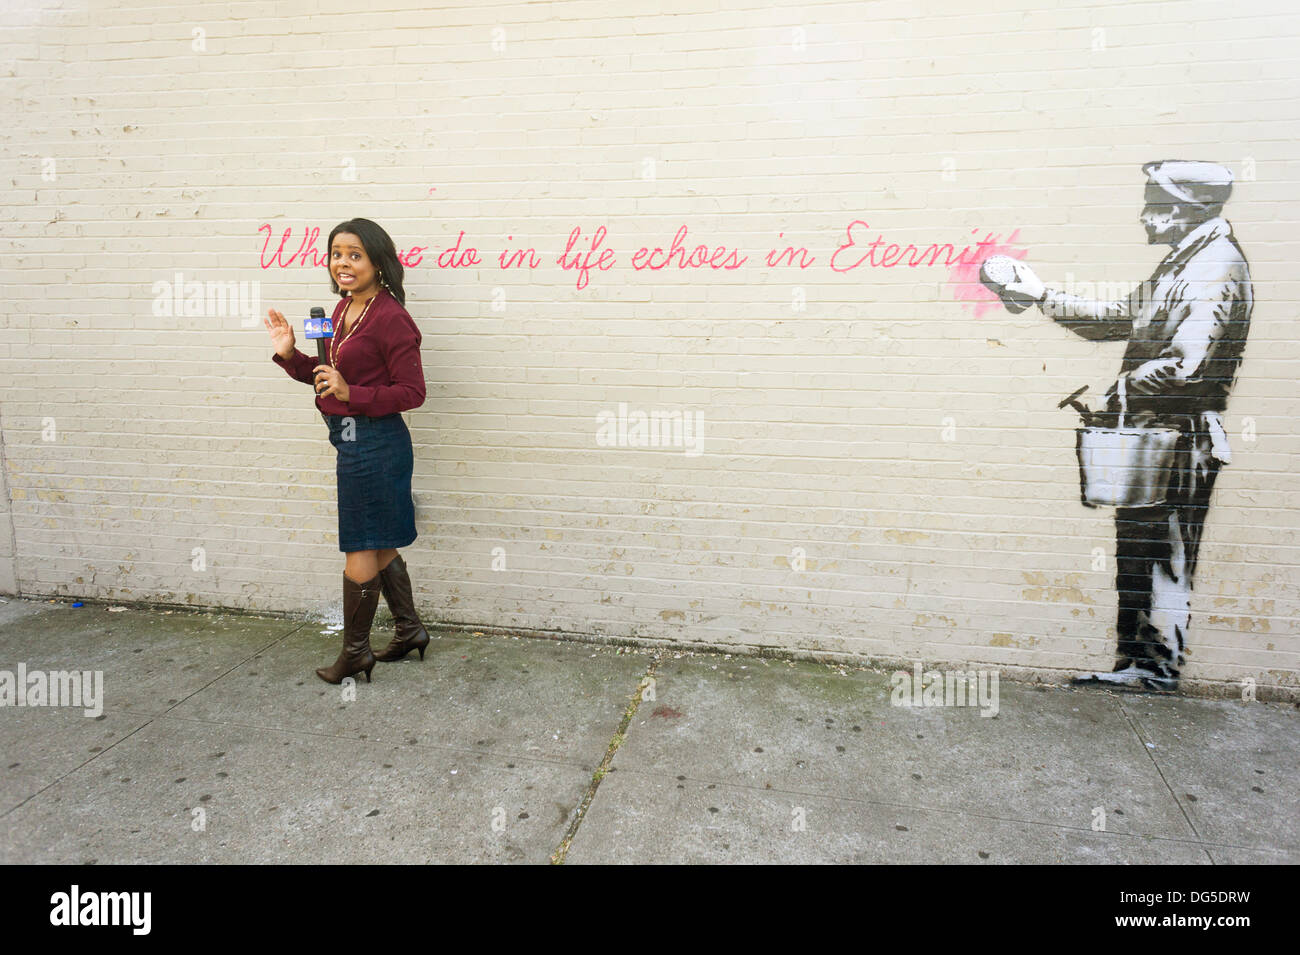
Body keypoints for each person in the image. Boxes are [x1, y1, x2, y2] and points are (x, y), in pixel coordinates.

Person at [992, 161, 1253, 691]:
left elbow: (1188, 365)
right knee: (1140, 549)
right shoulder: (1184, 263)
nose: (1145, 215)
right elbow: (1116, 317)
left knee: (1164, 553)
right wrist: (1040, 294)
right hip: (1158, 436)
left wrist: (1124, 389)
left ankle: (1155, 669)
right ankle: (1138, 664)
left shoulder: (1214, 267)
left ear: (1190, 209)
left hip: (1182, 438)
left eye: (1156, 204)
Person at [264, 218, 431, 683]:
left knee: (360, 545)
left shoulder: (391, 317)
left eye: (355, 254)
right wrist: (290, 354)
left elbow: (412, 392)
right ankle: (410, 629)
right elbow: (326, 380)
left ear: (379, 262)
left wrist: (352, 392)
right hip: (350, 440)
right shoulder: (342, 311)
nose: (343, 262)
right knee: (379, 542)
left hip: (376, 444)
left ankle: (356, 653)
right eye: (337, 253)